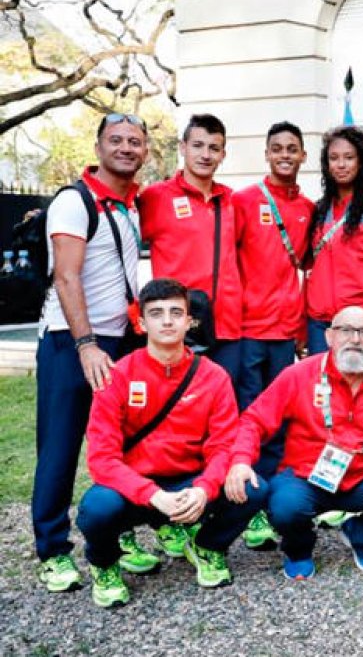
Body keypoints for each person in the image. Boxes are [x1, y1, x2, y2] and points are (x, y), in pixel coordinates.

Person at [77, 278, 264, 608]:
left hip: (188, 483)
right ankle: (104, 566)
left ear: (189, 321)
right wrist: (152, 495)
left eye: (176, 313)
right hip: (136, 487)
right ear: (141, 323)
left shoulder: (213, 376)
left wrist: (204, 489)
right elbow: (102, 458)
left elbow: (223, 445)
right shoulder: (118, 375)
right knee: (96, 508)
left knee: (253, 487)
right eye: (157, 313)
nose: (167, 321)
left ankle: (207, 546)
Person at [33, 112, 151, 593]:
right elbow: (66, 276)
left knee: (121, 447)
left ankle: (117, 536)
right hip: (72, 340)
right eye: (116, 140)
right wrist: (86, 345)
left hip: (122, 339)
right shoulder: (74, 200)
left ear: (145, 151)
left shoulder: (130, 204)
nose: (125, 148)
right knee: (60, 447)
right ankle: (53, 551)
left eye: (135, 142)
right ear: (98, 146)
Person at [230, 306, 363, 579]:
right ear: (329, 337)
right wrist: (241, 461)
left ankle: (362, 537)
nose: (355, 339)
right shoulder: (299, 375)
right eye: (346, 330)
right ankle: (298, 550)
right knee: (285, 506)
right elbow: (254, 420)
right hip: (306, 476)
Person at [231, 121, 314, 550]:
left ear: (302, 156)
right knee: (249, 416)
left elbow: (307, 269)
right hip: (247, 329)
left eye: (292, 148)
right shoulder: (244, 200)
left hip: (285, 331)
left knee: (281, 420)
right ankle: (249, 508)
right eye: (277, 148)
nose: (285, 154)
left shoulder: (308, 208)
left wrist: (301, 327)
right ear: (266, 153)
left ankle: (274, 502)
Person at [139, 114, 243, 379]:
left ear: (223, 154)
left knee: (224, 400)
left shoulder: (232, 201)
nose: (205, 155)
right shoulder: (155, 198)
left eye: (214, 148)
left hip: (227, 328)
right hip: (177, 327)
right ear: (183, 147)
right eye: (197, 145)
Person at [303, 125, 363, 356]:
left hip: (359, 324)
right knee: (320, 380)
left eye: (349, 157)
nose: (341, 164)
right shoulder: (319, 210)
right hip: (319, 324)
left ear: (361, 162)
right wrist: (301, 327)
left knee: (358, 381)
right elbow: (309, 271)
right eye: (334, 158)